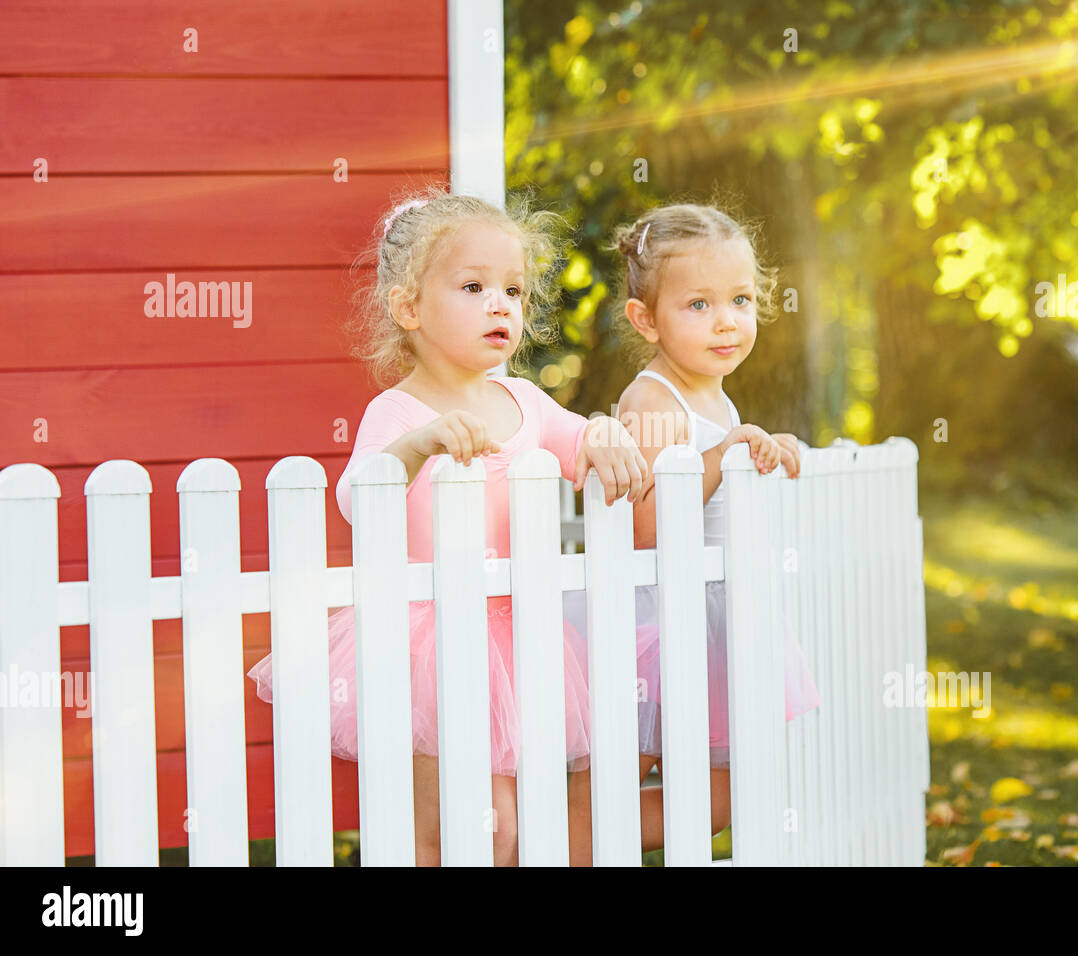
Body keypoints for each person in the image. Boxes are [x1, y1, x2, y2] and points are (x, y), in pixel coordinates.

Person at [247, 186, 648, 866]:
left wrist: (606, 429)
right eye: (474, 286)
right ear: (409, 308)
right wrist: (422, 444)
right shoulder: (397, 411)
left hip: (512, 639)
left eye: (514, 291)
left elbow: (580, 445)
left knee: (506, 830)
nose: (501, 304)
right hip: (421, 646)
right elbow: (359, 495)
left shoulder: (523, 400)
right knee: (435, 829)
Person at [565, 202, 821, 864]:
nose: (727, 320)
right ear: (646, 320)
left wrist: (758, 452)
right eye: (699, 305)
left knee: (721, 792)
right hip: (650, 625)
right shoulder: (652, 399)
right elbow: (648, 523)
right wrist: (727, 451)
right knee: (616, 779)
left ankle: (580, 838)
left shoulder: (716, 393)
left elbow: (726, 478)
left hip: (708, 619)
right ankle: (563, 839)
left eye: (740, 299)